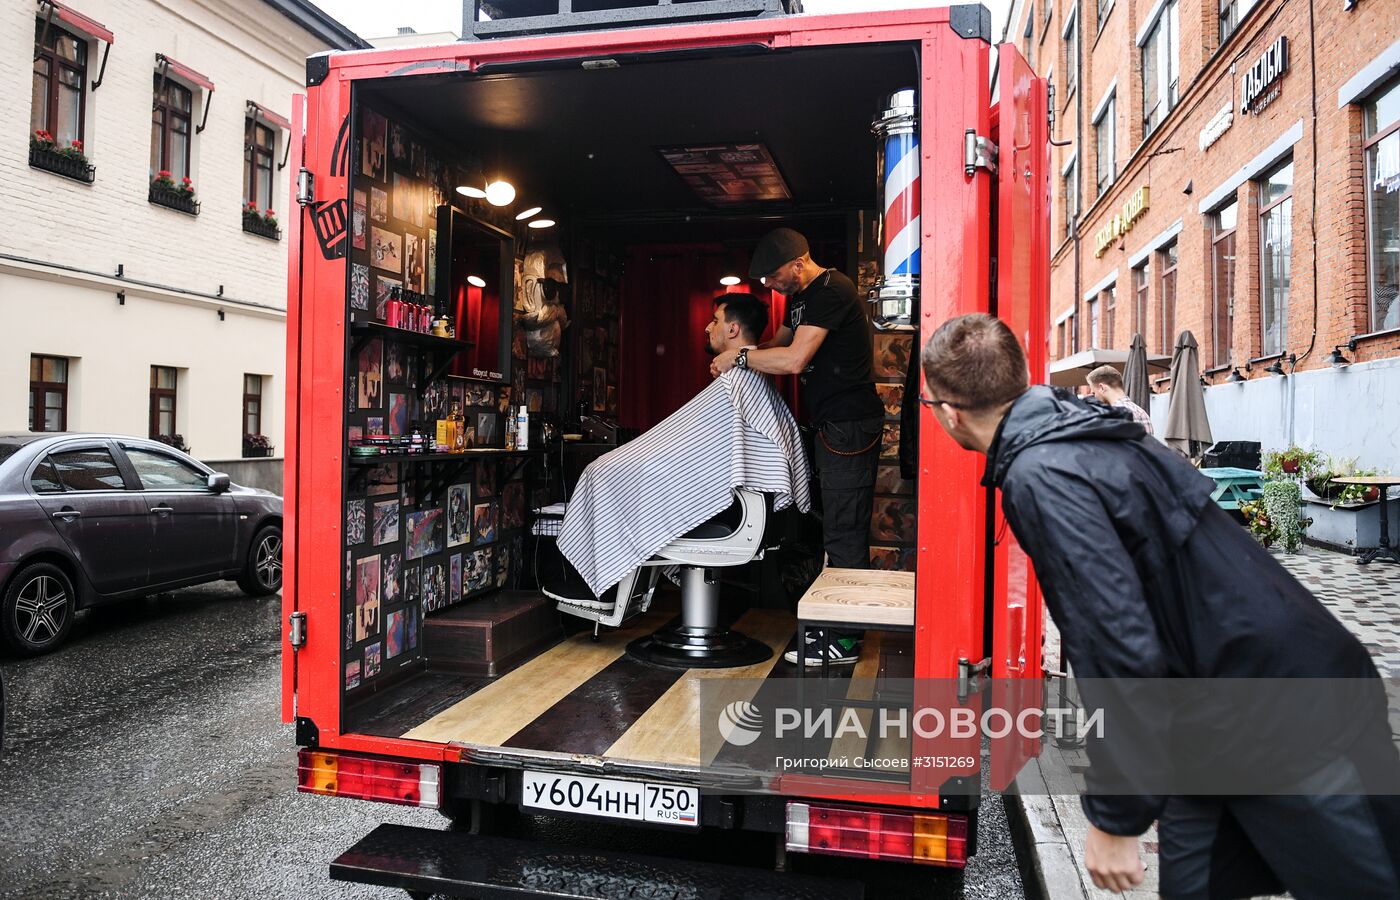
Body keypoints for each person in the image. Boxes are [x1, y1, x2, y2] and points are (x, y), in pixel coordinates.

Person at [918, 313, 1400, 897]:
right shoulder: (1089, 432)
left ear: (949, 412)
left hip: (1277, 709)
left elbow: (1116, 643)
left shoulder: (1041, 472)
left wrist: (1114, 818)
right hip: (1218, 708)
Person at [710, 228, 883, 666]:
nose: (768, 286)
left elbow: (794, 360)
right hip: (829, 425)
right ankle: (833, 627)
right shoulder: (801, 297)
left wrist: (741, 358)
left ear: (796, 263)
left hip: (849, 425)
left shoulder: (833, 289)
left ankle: (844, 643)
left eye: (772, 277)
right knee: (829, 531)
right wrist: (740, 352)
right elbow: (777, 344)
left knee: (844, 532)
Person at [1085, 364, 1153, 435]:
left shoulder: (1115, 414)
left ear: (1102, 387)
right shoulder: (1140, 411)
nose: (1093, 397)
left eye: (1094, 393)